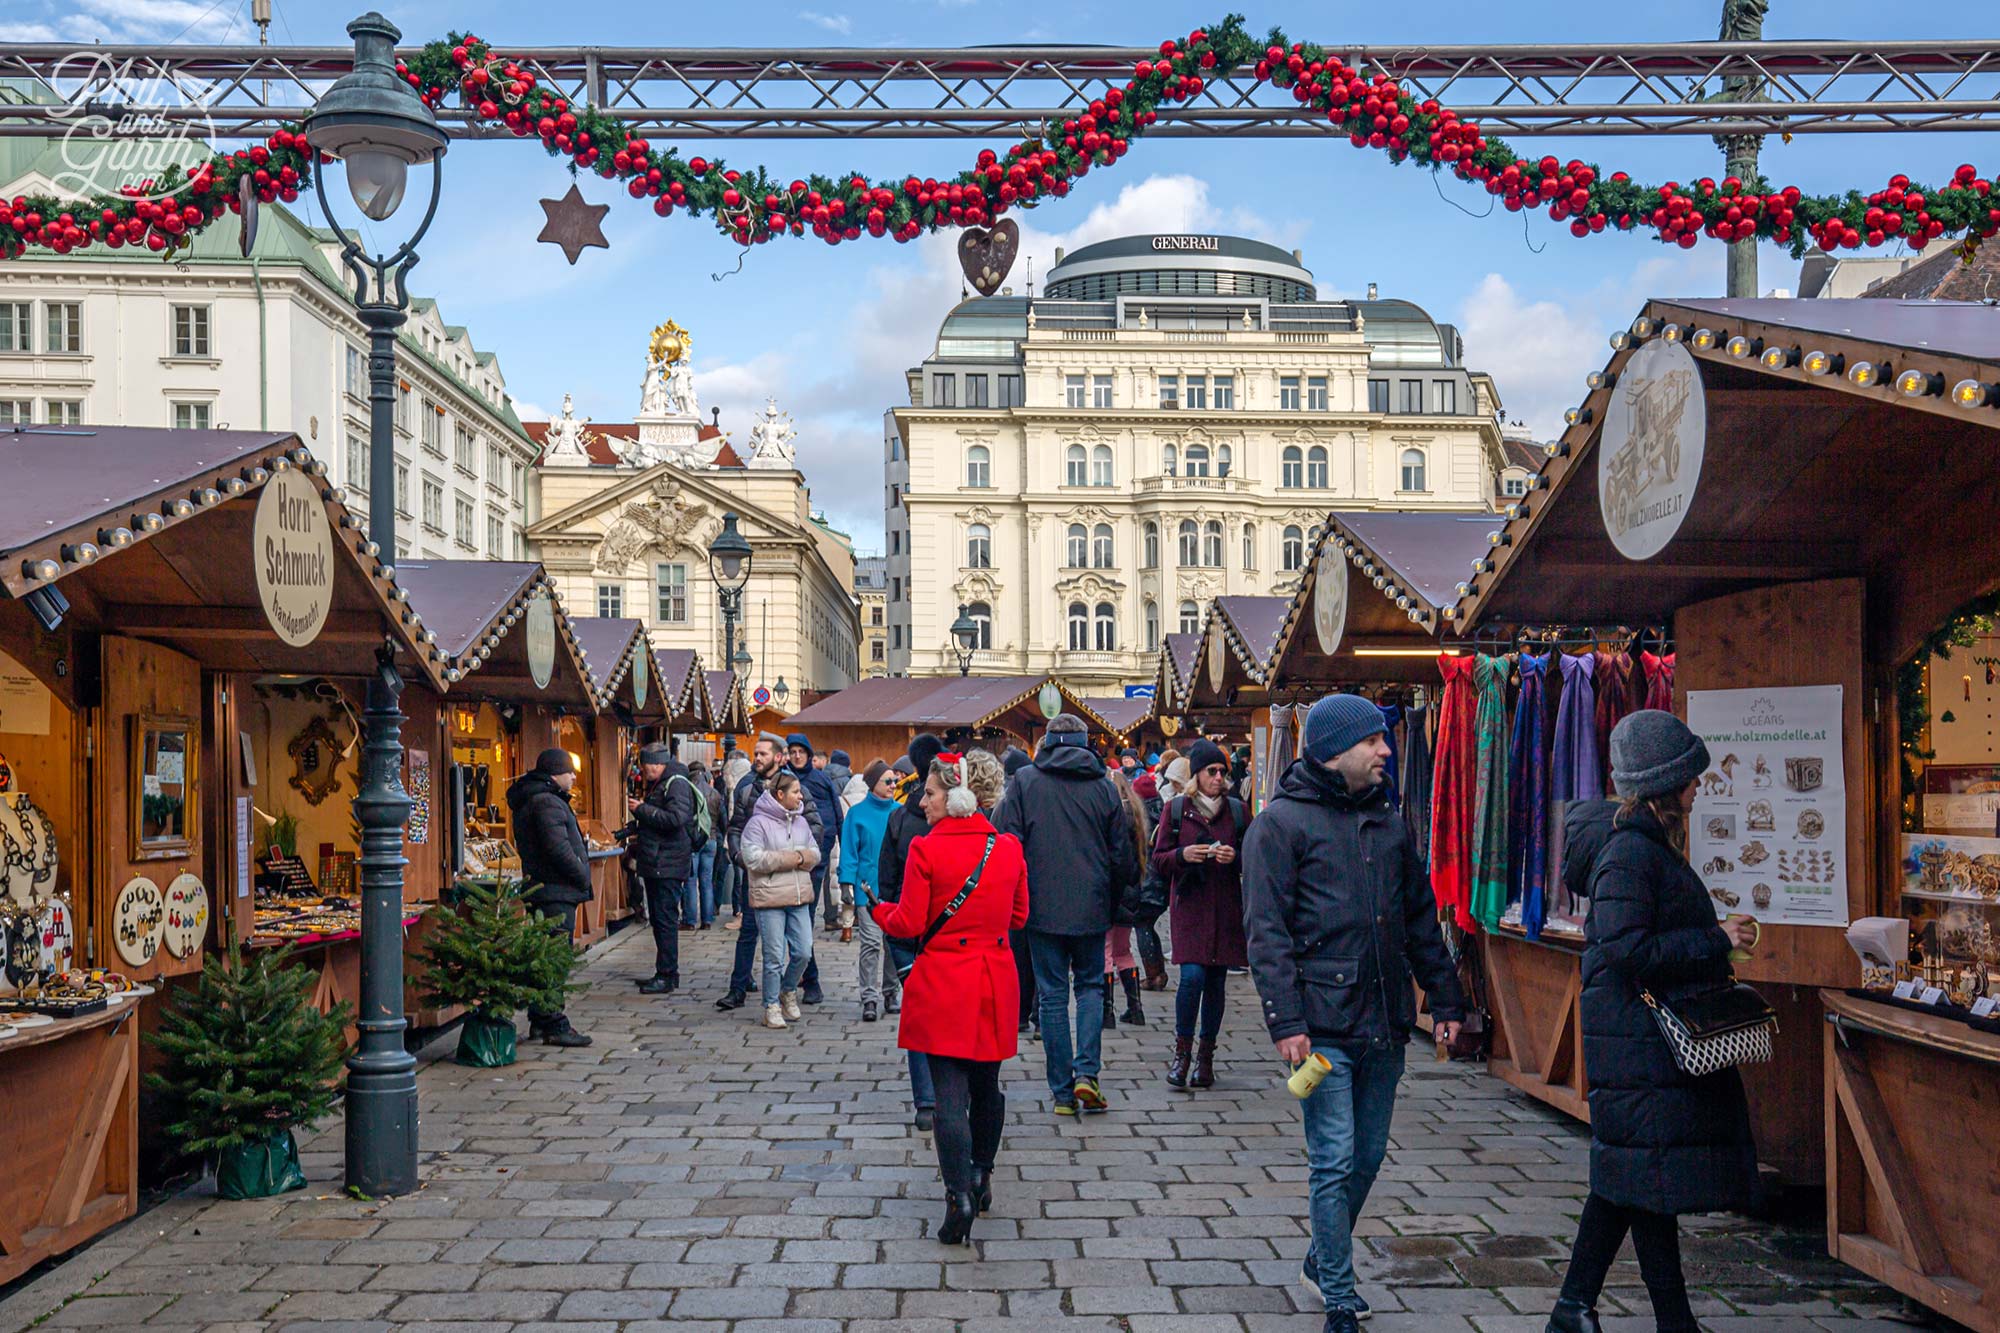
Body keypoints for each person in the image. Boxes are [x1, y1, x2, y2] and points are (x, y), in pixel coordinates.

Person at [1243, 694, 1466, 1333]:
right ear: (1333, 750)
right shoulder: (1279, 827)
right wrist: (1285, 1022)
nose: (1387, 751)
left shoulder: (1389, 823)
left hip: (1385, 1022)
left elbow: (1421, 921)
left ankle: (1321, 1256)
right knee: (1334, 1158)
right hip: (1319, 1029)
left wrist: (1445, 999)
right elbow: (1267, 934)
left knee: (1367, 1158)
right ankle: (1339, 1295)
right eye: (1374, 742)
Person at [1546, 711, 1759, 1333]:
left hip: (1640, 1043)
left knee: (1638, 1178)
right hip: (1640, 1043)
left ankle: (1590, 1311)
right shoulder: (1630, 855)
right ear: (1667, 784)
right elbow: (1626, 950)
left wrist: (1714, 939)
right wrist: (1712, 938)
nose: (1700, 786)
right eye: (1692, 776)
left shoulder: (1643, 846)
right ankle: (1626, 1315)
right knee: (1637, 1178)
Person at [871, 748, 1027, 1246]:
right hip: (994, 977)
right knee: (988, 1086)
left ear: (956, 796)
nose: (923, 801)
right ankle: (981, 1174)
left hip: (943, 980)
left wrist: (879, 913)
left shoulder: (927, 850)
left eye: (931, 793)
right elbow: (1020, 917)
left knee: (948, 1097)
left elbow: (910, 923)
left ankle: (957, 1194)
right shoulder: (1007, 848)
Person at [995, 712, 1135, 1116]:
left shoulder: (1024, 783)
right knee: (1090, 989)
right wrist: (1113, 896)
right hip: (1091, 906)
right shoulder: (1104, 788)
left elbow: (1008, 843)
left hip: (1041, 908)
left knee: (1053, 996)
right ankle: (1087, 1075)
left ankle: (1060, 1093)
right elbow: (1121, 853)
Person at [1153, 738, 1250, 1089]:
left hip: (1225, 908)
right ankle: (1182, 1053)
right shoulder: (1177, 809)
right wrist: (1184, 855)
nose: (1219, 777)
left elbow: (1252, 857)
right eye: (1212, 771)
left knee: (1216, 982)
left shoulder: (1237, 810)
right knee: (1192, 977)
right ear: (1197, 774)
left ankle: (1205, 1057)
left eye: (1223, 771)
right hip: (1190, 907)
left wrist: (1233, 858)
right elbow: (1159, 859)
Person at [718, 734, 824, 1011]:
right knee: (749, 932)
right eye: (756, 753)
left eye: (763, 754)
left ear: (778, 757)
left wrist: (798, 858)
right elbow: (736, 826)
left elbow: (813, 824)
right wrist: (740, 857)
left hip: (791, 878)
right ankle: (738, 988)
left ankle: (807, 982)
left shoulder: (794, 787)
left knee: (800, 939)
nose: (757, 758)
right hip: (757, 877)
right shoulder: (746, 787)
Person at [505, 748, 593, 1047]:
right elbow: (557, 848)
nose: (573, 775)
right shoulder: (546, 802)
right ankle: (553, 1022)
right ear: (555, 772)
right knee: (554, 958)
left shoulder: (538, 798)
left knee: (547, 955)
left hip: (547, 888)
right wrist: (581, 873)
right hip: (555, 890)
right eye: (569, 771)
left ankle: (542, 1019)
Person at [879, 733, 945, 1129]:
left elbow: (886, 879)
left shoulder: (901, 816)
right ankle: (953, 1089)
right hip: (947, 931)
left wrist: (890, 924)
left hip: (907, 929)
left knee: (920, 1014)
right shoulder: (960, 820)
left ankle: (926, 1101)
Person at [738, 769, 821, 1029]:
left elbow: (815, 853)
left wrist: (802, 857)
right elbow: (753, 859)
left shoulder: (801, 822)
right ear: (780, 794)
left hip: (798, 897)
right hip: (770, 897)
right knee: (773, 956)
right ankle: (771, 1005)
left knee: (803, 952)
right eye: (796, 792)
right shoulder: (757, 823)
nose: (801, 798)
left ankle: (788, 990)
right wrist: (794, 858)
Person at [624, 741, 700, 995]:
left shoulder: (675, 783)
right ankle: (664, 972)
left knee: (665, 919)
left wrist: (641, 809)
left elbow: (676, 819)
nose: (643, 771)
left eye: (645, 767)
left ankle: (667, 975)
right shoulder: (663, 782)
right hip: (659, 862)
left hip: (666, 864)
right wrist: (631, 828)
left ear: (657, 764)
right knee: (660, 919)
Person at [841, 760, 902, 1021]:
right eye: (887, 781)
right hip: (868, 890)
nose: (893, 785)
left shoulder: (900, 812)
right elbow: (849, 852)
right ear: (873, 784)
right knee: (869, 943)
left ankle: (890, 991)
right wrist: (846, 883)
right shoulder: (857, 814)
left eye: (894, 781)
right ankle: (869, 997)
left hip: (895, 891)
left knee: (893, 943)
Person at [785, 734, 843, 979]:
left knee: (806, 914)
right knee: (792, 917)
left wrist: (832, 841)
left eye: (801, 751)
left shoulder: (821, 779)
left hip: (817, 857)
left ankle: (806, 973)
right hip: (787, 857)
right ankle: (804, 971)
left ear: (809, 754)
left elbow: (836, 816)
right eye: (793, 751)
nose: (797, 756)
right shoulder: (783, 779)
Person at [1104, 770, 1153, 1028]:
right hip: (1133, 889)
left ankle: (1106, 1011)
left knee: (1107, 949)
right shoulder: (1135, 812)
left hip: (1113, 890)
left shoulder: (1113, 815)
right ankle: (1136, 1009)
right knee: (1123, 950)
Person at [680, 764, 722, 931]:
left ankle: (690, 920)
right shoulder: (715, 793)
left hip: (693, 840)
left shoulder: (688, 792)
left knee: (690, 881)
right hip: (711, 839)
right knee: (706, 881)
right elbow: (723, 819)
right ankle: (707, 920)